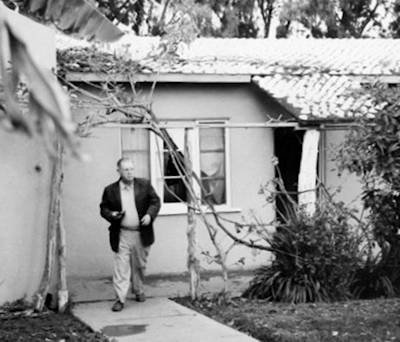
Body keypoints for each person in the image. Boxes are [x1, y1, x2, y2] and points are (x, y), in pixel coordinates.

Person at [100, 157, 161, 312]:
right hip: (122, 234)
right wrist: (112, 214)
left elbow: (155, 202)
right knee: (121, 267)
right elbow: (103, 208)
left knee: (140, 265)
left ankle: (139, 289)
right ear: (119, 171)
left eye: (131, 169)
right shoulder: (110, 190)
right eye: (126, 169)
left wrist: (149, 215)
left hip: (141, 233)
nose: (129, 172)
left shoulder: (144, 185)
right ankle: (120, 299)